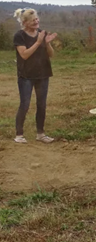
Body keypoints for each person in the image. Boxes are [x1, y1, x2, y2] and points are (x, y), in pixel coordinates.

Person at [13, 8, 57, 144]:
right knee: (25, 104)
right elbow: (24, 54)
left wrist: (47, 43)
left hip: (43, 74)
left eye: (37, 19)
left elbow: (51, 54)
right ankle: (19, 135)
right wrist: (38, 42)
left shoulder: (41, 33)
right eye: (33, 21)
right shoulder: (19, 36)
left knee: (41, 104)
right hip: (26, 75)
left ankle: (40, 134)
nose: (36, 22)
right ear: (25, 22)